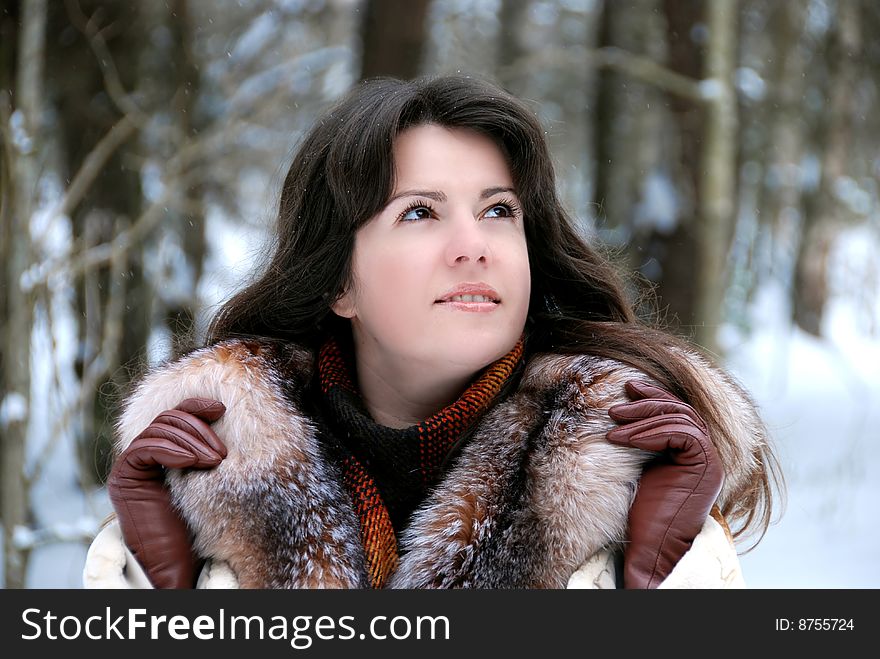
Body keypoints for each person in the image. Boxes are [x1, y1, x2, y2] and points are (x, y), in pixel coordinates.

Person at [83, 74, 779, 590]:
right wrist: (159, 588)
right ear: (338, 282)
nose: (474, 245)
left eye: (499, 210)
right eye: (420, 213)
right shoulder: (220, 473)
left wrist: (662, 575)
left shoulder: (623, 473)